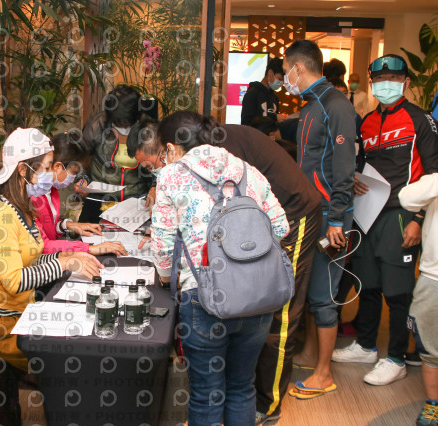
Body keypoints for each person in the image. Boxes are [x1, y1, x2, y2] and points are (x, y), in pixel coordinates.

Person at [131, 113, 322, 424]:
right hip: (256, 298)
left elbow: (163, 247)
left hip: (204, 296)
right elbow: (280, 227)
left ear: (171, 148)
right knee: (241, 386)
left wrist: (167, 280)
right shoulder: (248, 170)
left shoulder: (172, 176)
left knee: (206, 392)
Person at [332, 54, 438, 386]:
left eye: (392, 79)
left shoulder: (420, 120)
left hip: (402, 215)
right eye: (379, 80)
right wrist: (355, 177)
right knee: (369, 284)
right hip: (369, 214)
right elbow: (361, 162)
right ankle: (366, 345)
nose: (385, 85)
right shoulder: (366, 121)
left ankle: (397, 357)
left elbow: (435, 174)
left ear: (405, 82)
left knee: (398, 291)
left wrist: (418, 218)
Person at [0, 128, 102, 373]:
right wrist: (63, 263)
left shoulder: (21, 207)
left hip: (20, 315)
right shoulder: (1, 215)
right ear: (23, 170)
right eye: (46, 167)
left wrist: (68, 256)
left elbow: (31, 260)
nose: (50, 174)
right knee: (69, 360)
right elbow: (15, 281)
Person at [282, 40, 356, 399]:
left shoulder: (335, 105)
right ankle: (313, 355)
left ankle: (324, 374)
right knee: (311, 290)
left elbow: (344, 167)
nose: (285, 78)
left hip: (330, 216)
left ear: (298, 67)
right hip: (311, 212)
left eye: (286, 71)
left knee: (324, 295)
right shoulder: (311, 105)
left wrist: (338, 218)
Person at [31, 132, 127, 256]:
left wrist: (68, 225)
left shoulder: (52, 191)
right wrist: (89, 248)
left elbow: (48, 229)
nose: (74, 178)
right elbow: (41, 245)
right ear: (58, 167)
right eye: (74, 172)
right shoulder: (35, 196)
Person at [78, 85, 155, 223]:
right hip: (99, 200)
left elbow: (160, 164)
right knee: (88, 233)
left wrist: (154, 187)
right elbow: (80, 157)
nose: (123, 128)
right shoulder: (96, 126)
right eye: (118, 123)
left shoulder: (148, 129)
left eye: (127, 124)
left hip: (137, 202)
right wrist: (82, 179)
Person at [399, 173, 438, 426]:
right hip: (433, 277)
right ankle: (434, 404)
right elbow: (407, 198)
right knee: (430, 348)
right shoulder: (434, 181)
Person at [241, 57, 284, 126]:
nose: (281, 83)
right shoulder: (252, 93)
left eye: (283, 81)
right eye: (279, 79)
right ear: (270, 73)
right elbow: (246, 122)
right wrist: (274, 118)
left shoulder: (274, 98)